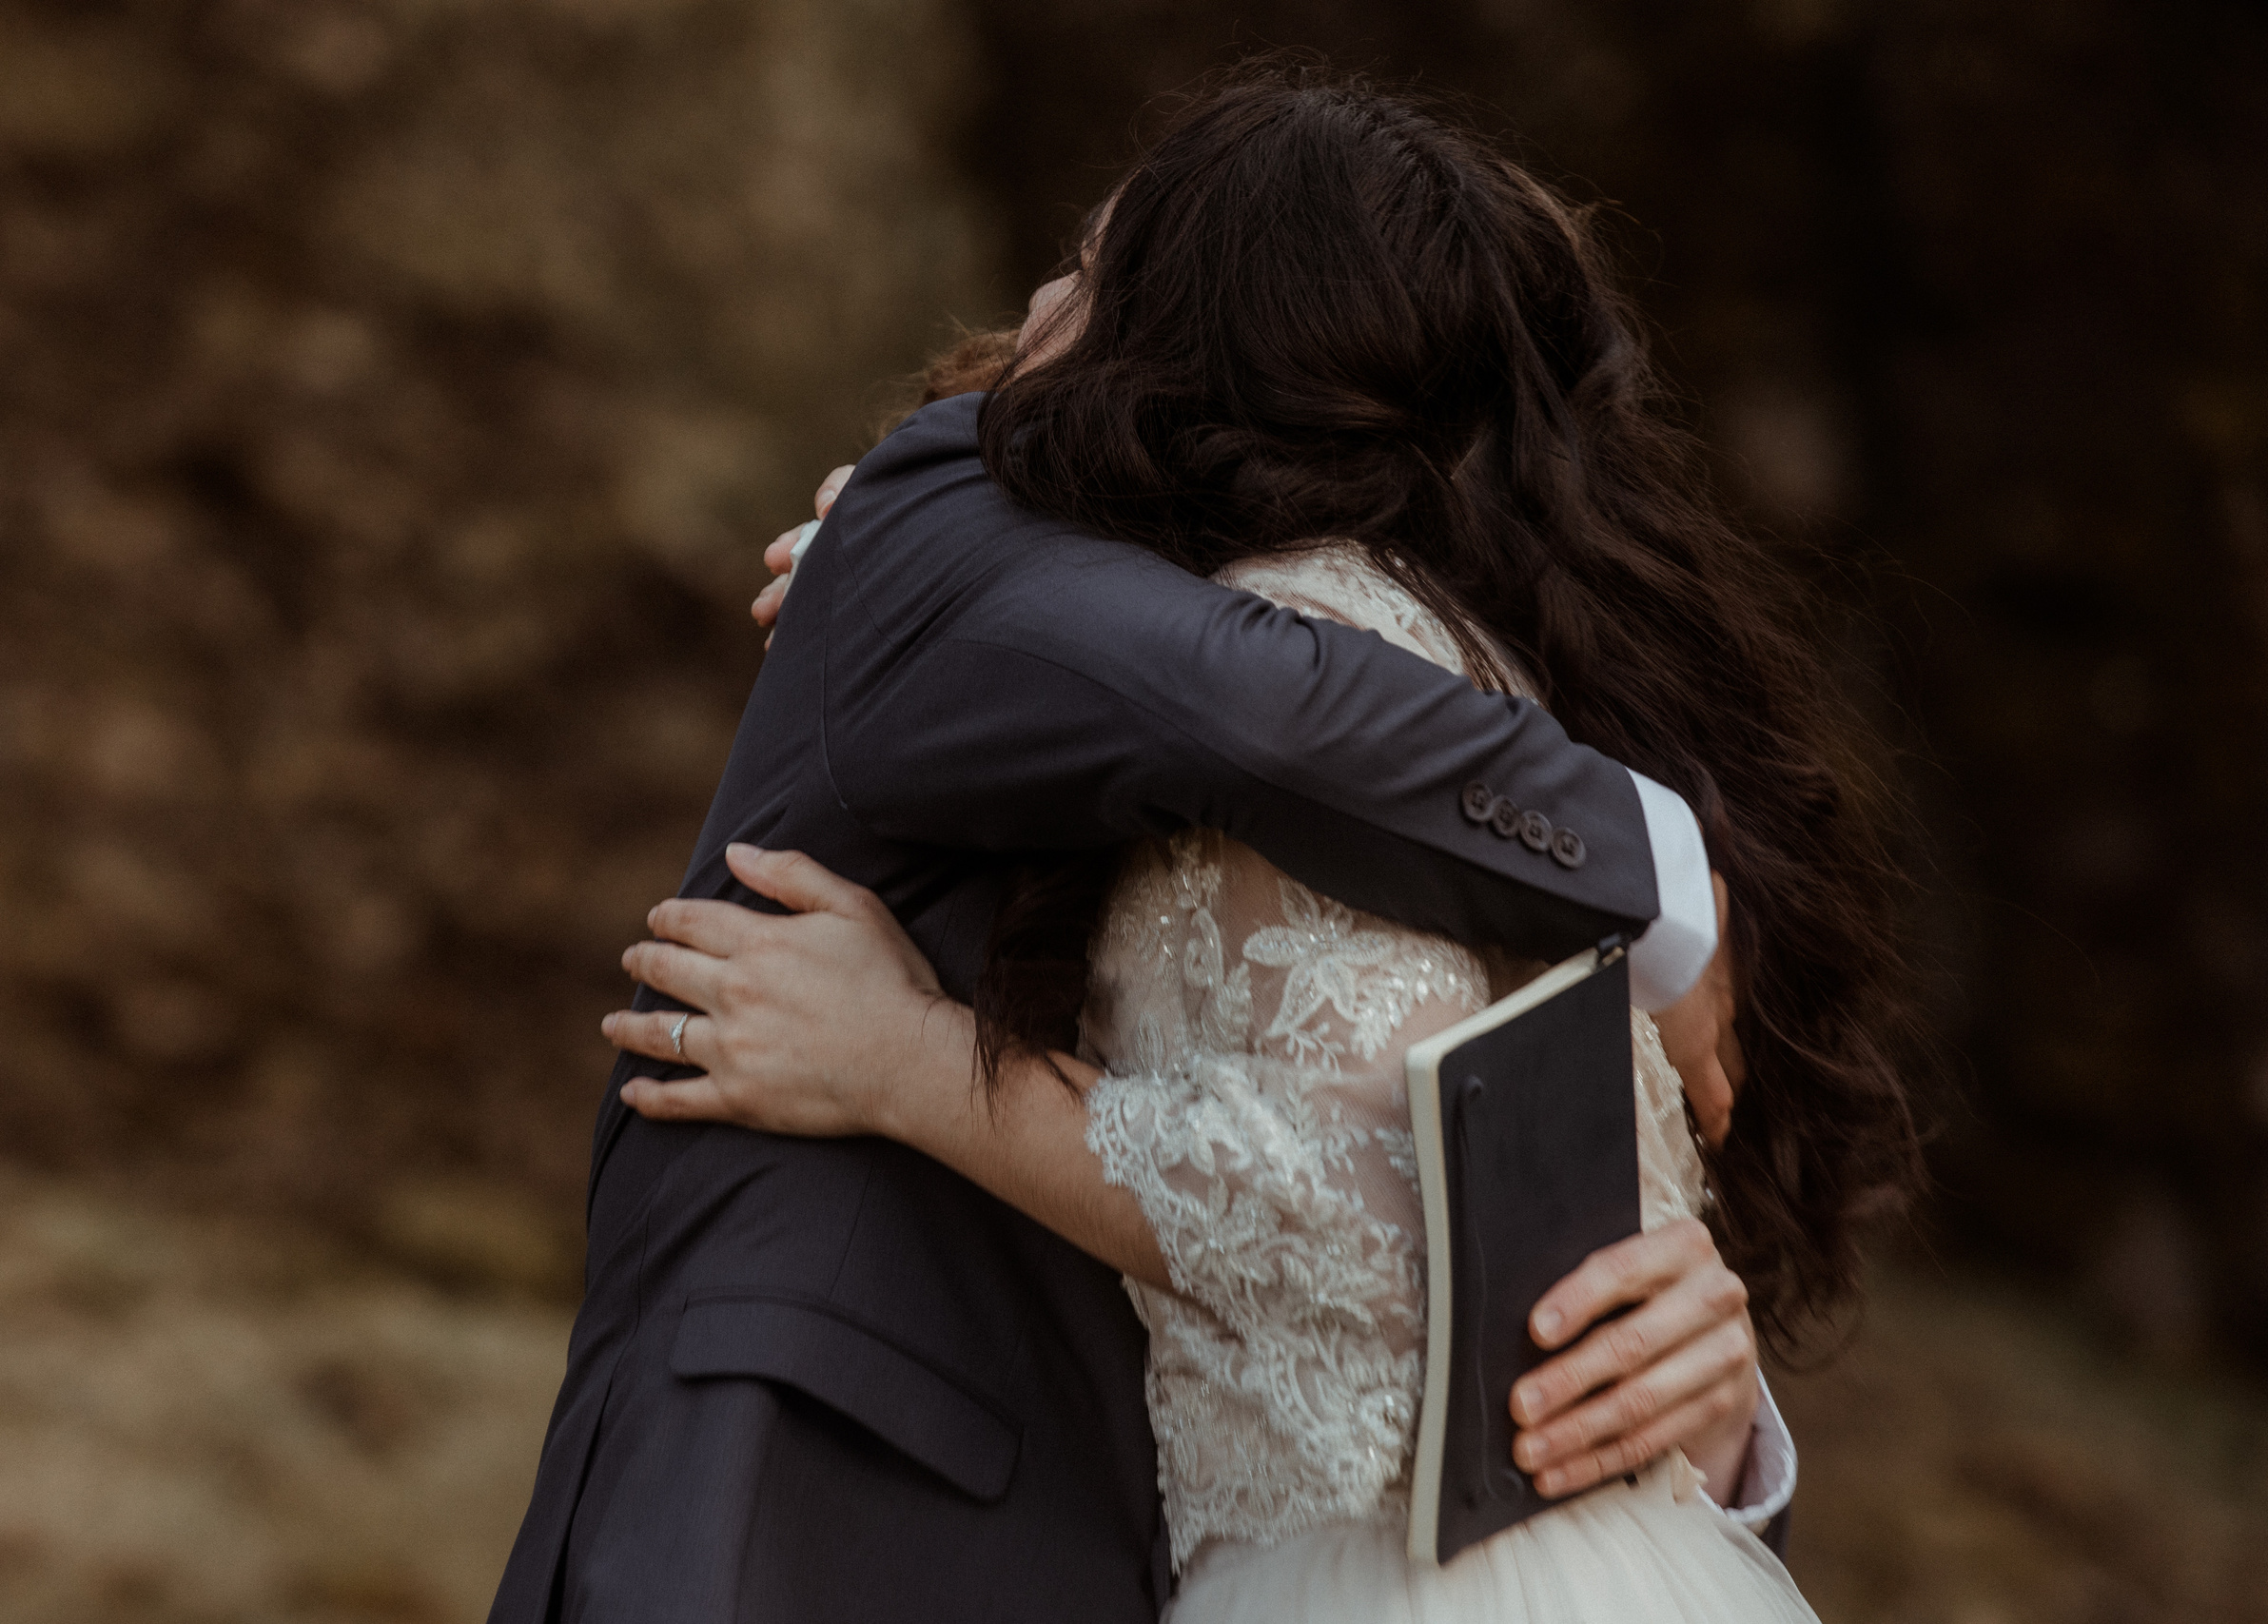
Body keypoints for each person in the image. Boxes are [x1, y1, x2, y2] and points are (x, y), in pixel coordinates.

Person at [490, 70, 1917, 1624]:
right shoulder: (1043, 580)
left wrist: (1713, 1416)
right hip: (839, 1507)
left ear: (1199, 345)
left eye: (1098, 271)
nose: (1036, 305)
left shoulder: (1335, 662)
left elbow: (1396, 1205)